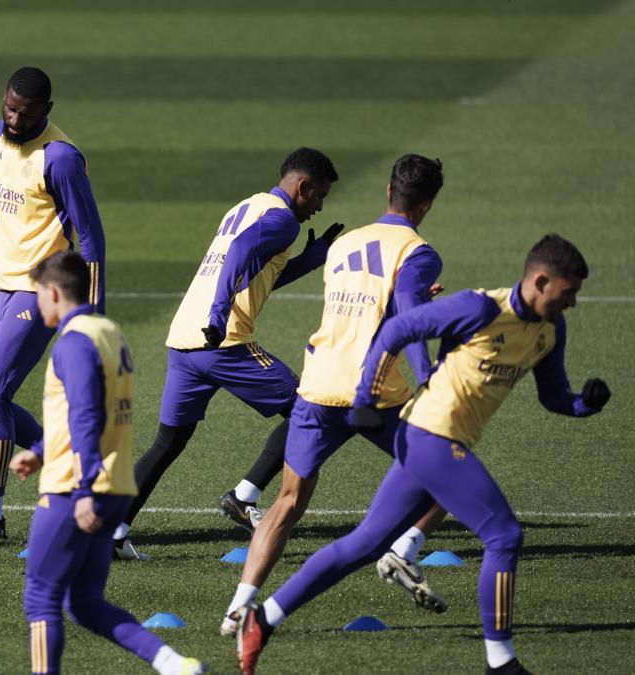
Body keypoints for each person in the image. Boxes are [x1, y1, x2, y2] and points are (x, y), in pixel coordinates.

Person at [233, 235, 611, 675]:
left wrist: (586, 403)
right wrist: (366, 397)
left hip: (434, 443)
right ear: (542, 281)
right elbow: (398, 328)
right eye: (569, 293)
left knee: (364, 544)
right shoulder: (481, 309)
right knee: (504, 535)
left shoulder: (550, 330)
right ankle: (501, 662)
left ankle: (262, 620)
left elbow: (554, 396)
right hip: (430, 437)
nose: (573, 303)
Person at [221, 155, 452, 632]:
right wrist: (427, 376)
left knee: (287, 502)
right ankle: (402, 552)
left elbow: (360, 309)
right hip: (375, 394)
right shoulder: (418, 252)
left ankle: (238, 608)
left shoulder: (345, 242)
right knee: (449, 469)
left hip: (319, 383)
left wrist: (406, 300)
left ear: (388, 190)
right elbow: (406, 318)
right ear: (427, 203)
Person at [114, 148, 343, 560]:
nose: (320, 206)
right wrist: (219, 317)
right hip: (223, 341)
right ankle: (244, 496)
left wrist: (311, 258)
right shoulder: (282, 219)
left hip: (184, 340)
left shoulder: (249, 206)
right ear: (303, 186)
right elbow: (238, 256)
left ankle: (112, 532)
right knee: (311, 410)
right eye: (320, 196)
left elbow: (256, 272)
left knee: (168, 441)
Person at [9, 252, 205, 675]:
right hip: (115, 486)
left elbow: (86, 414)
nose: (35, 302)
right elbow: (88, 409)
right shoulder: (109, 332)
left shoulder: (74, 342)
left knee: (41, 599)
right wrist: (41, 451)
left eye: (38, 293)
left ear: (55, 292)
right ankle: (173, 664)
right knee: (84, 603)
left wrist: (82, 489)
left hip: (73, 491)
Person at [0, 66, 105, 540]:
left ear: (46, 111)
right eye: (10, 108)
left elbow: (92, 236)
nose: (14, 119)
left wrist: (91, 315)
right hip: (4, 285)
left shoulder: (60, 159)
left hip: (43, 291)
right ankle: (67, 462)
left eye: (25, 113)